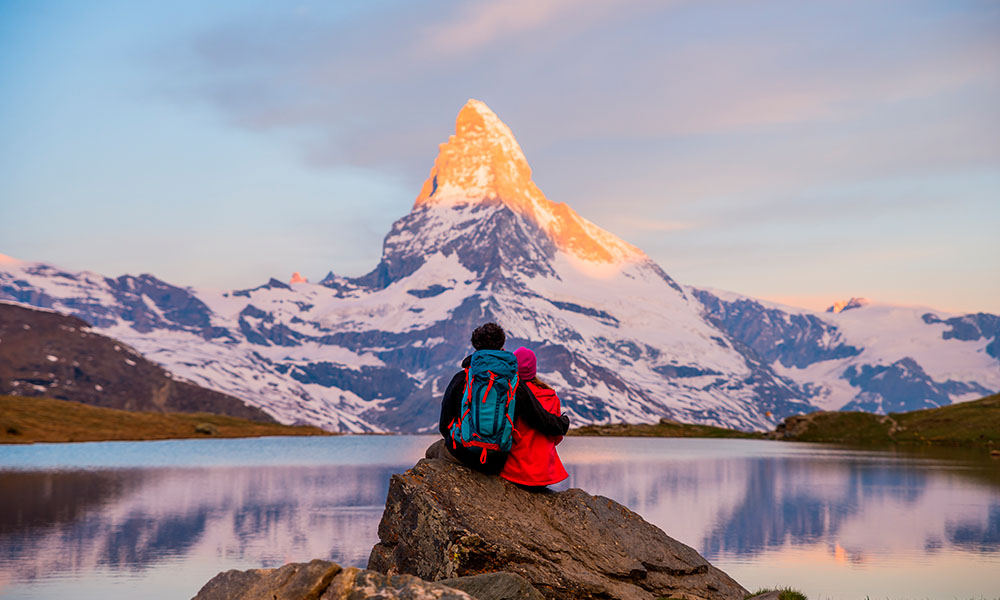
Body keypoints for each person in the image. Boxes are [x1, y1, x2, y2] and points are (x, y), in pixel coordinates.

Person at [426, 322, 569, 474]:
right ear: (502, 345)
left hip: (462, 452)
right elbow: (540, 418)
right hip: (497, 460)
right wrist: (563, 423)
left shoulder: (462, 378)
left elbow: (444, 424)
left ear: (476, 347)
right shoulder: (513, 382)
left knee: (431, 452)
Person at [500, 347, 568, 488]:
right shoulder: (550, 396)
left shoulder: (510, 393)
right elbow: (557, 437)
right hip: (544, 473)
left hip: (514, 471)